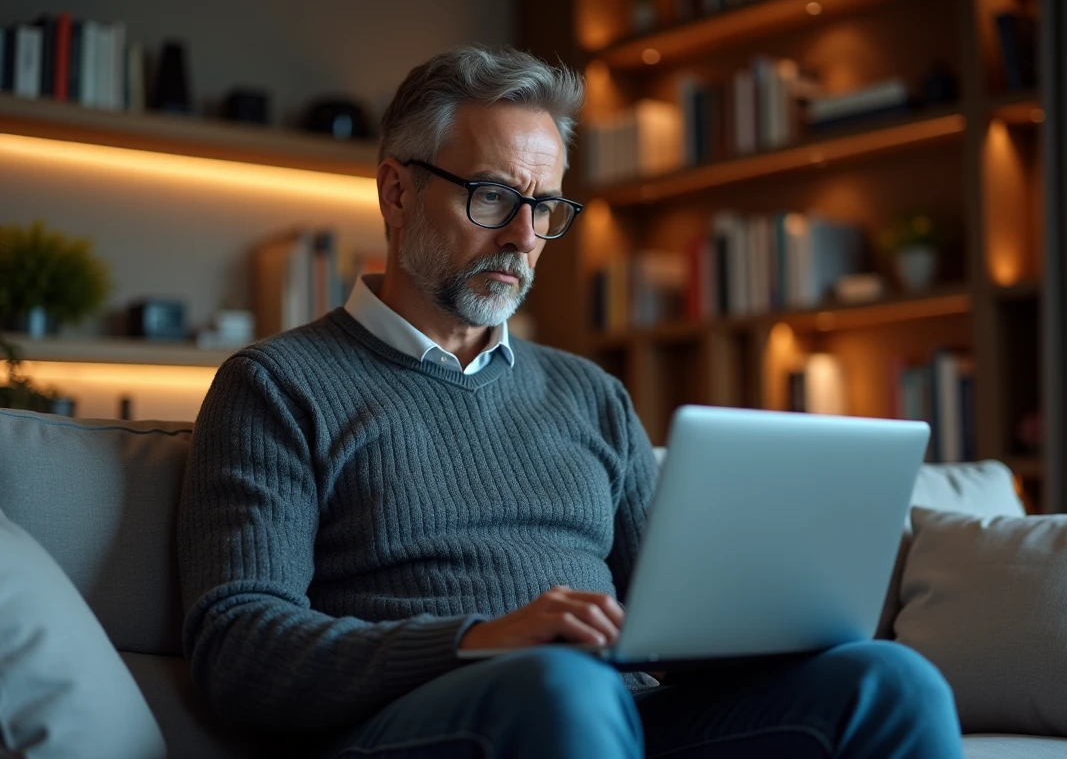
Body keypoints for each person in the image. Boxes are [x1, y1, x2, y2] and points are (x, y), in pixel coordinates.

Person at [178, 45, 963, 759]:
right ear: (397, 192)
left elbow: (670, 613)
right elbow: (238, 645)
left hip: (619, 717)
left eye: (545, 206)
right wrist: (478, 640)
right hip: (422, 720)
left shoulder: (591, 395)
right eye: (492, 197)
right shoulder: (278, 385)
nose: (524, 237)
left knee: (891, 680)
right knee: (563, 687)